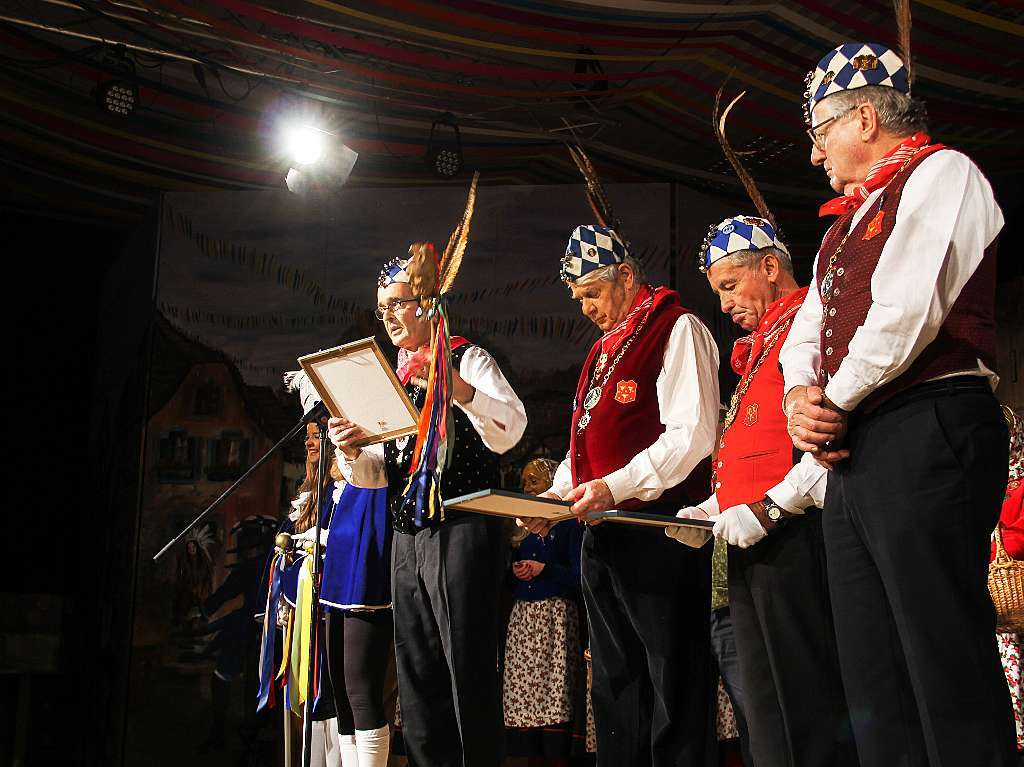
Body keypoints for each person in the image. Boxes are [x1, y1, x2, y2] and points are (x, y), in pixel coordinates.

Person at [780, 41, 1015, 765]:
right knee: (873, 667)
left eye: (820, 134)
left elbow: (908, 310)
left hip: (926, 424)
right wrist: (798, 397)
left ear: (864, 119)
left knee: (941, 651)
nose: (816, 155)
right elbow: (805, 334)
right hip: (858, 447)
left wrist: (834, 401)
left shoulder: (944, 174)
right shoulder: (838, 232)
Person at [521, 224, 720, 767]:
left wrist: (614, 487)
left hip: (658, 530)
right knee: (613, 680)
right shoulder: (602, 353)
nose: (585, 308)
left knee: (672, 677)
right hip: (602, 535)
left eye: (592, 293)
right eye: (578, 297)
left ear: (627, 276)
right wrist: (554, 505)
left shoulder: (676, 329)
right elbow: (584, 451)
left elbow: (694, 434)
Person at [328, 246, 527, 767]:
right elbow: (380, 469)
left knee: (467, 666)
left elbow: (512, 429)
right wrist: (351, 449)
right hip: (408, 536)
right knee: (415, 673)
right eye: (382, 308)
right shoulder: (390, 376)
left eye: (398, 303)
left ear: (429, 305)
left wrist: (457, 388)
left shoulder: (467, 357)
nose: (389, 316)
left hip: (463, 528)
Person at [667, 216, 853, 767]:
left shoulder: (810, 323)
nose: (723, 305)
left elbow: (831, 440)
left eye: (729, 285)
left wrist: (772, 506)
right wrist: (712, 505)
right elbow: (752, 444)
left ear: (771, 267)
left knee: (807, 702)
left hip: (799, 535)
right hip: (751, 540)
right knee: (766, 709)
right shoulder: (766, 337)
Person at [504, 458, 586, 764]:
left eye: (534, 481)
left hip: (556, 618)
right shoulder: (522, 526)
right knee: (524, 698)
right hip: (524, 621)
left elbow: (579, 575)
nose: (527, 487)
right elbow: (507, 577)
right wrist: (518, 570)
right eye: (524, 481)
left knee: (554, 692)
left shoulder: (567, 525)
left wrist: (546, 569)